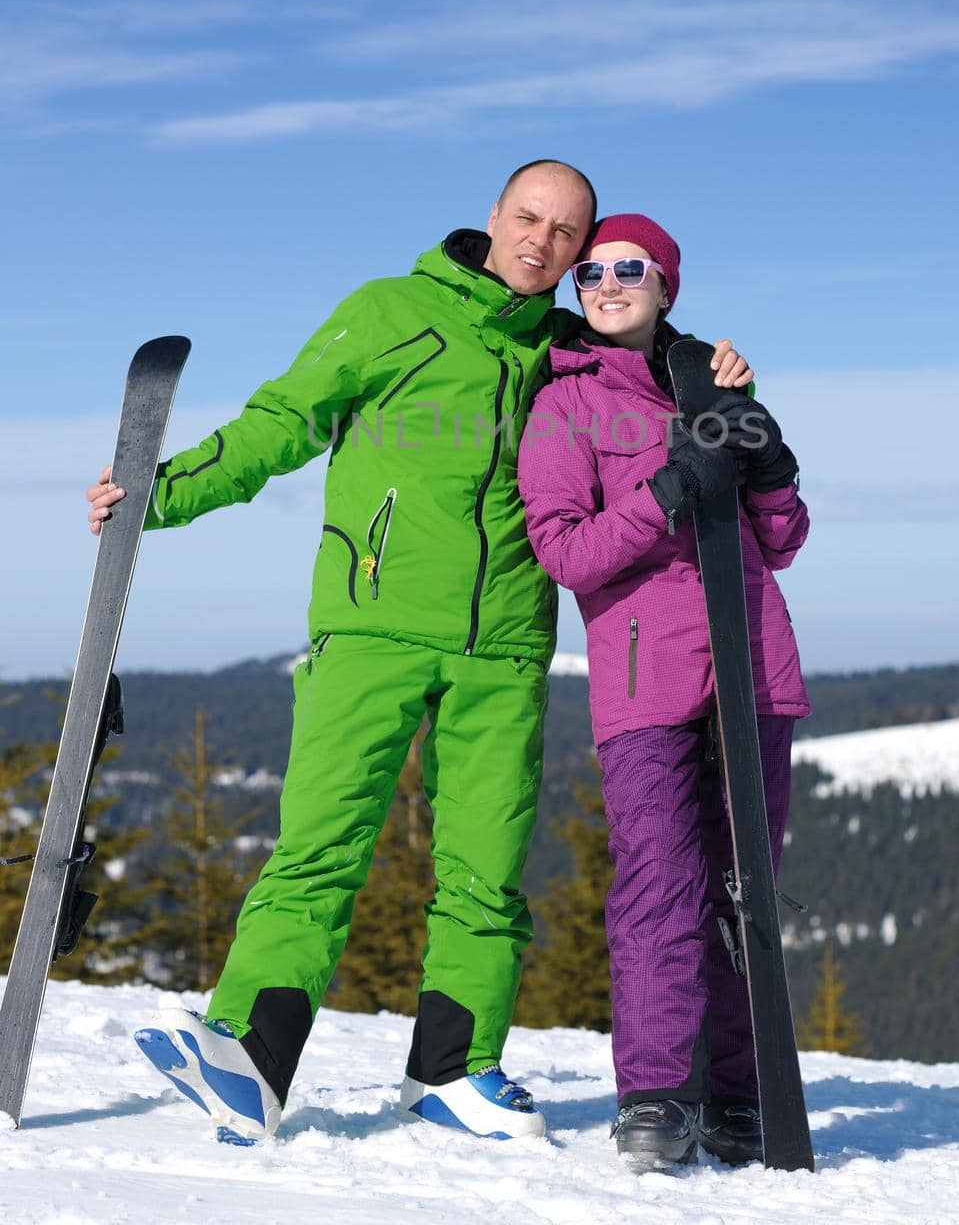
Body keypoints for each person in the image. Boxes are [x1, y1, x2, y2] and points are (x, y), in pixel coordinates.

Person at [84, 167, 754, 1147]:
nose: (540, 240)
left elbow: (649, 363)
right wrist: (159, 492)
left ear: (577, 254)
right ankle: (248, 1054)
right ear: (492, 218)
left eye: (564, 232)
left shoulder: (565, 352)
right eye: (527, 217)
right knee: (321, 844)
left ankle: (450, 1068)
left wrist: (714, 371)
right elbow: (281, 423)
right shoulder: (388, 310)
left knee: (486, 865)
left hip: (508, 641)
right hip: (373, 621)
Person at [517, 212, 809, 1170]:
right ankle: (654, 1095)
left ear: (664, 284)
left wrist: (767, 468)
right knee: (658, 890)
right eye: (590, 271)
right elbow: (564, 552)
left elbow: (783, 540)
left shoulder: (712, 381)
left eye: (627, 268)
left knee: (745, 891)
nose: (605, 282)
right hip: (645, 682)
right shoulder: (564, 406)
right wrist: (666, 492)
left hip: (752, 666)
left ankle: (735, 1091)